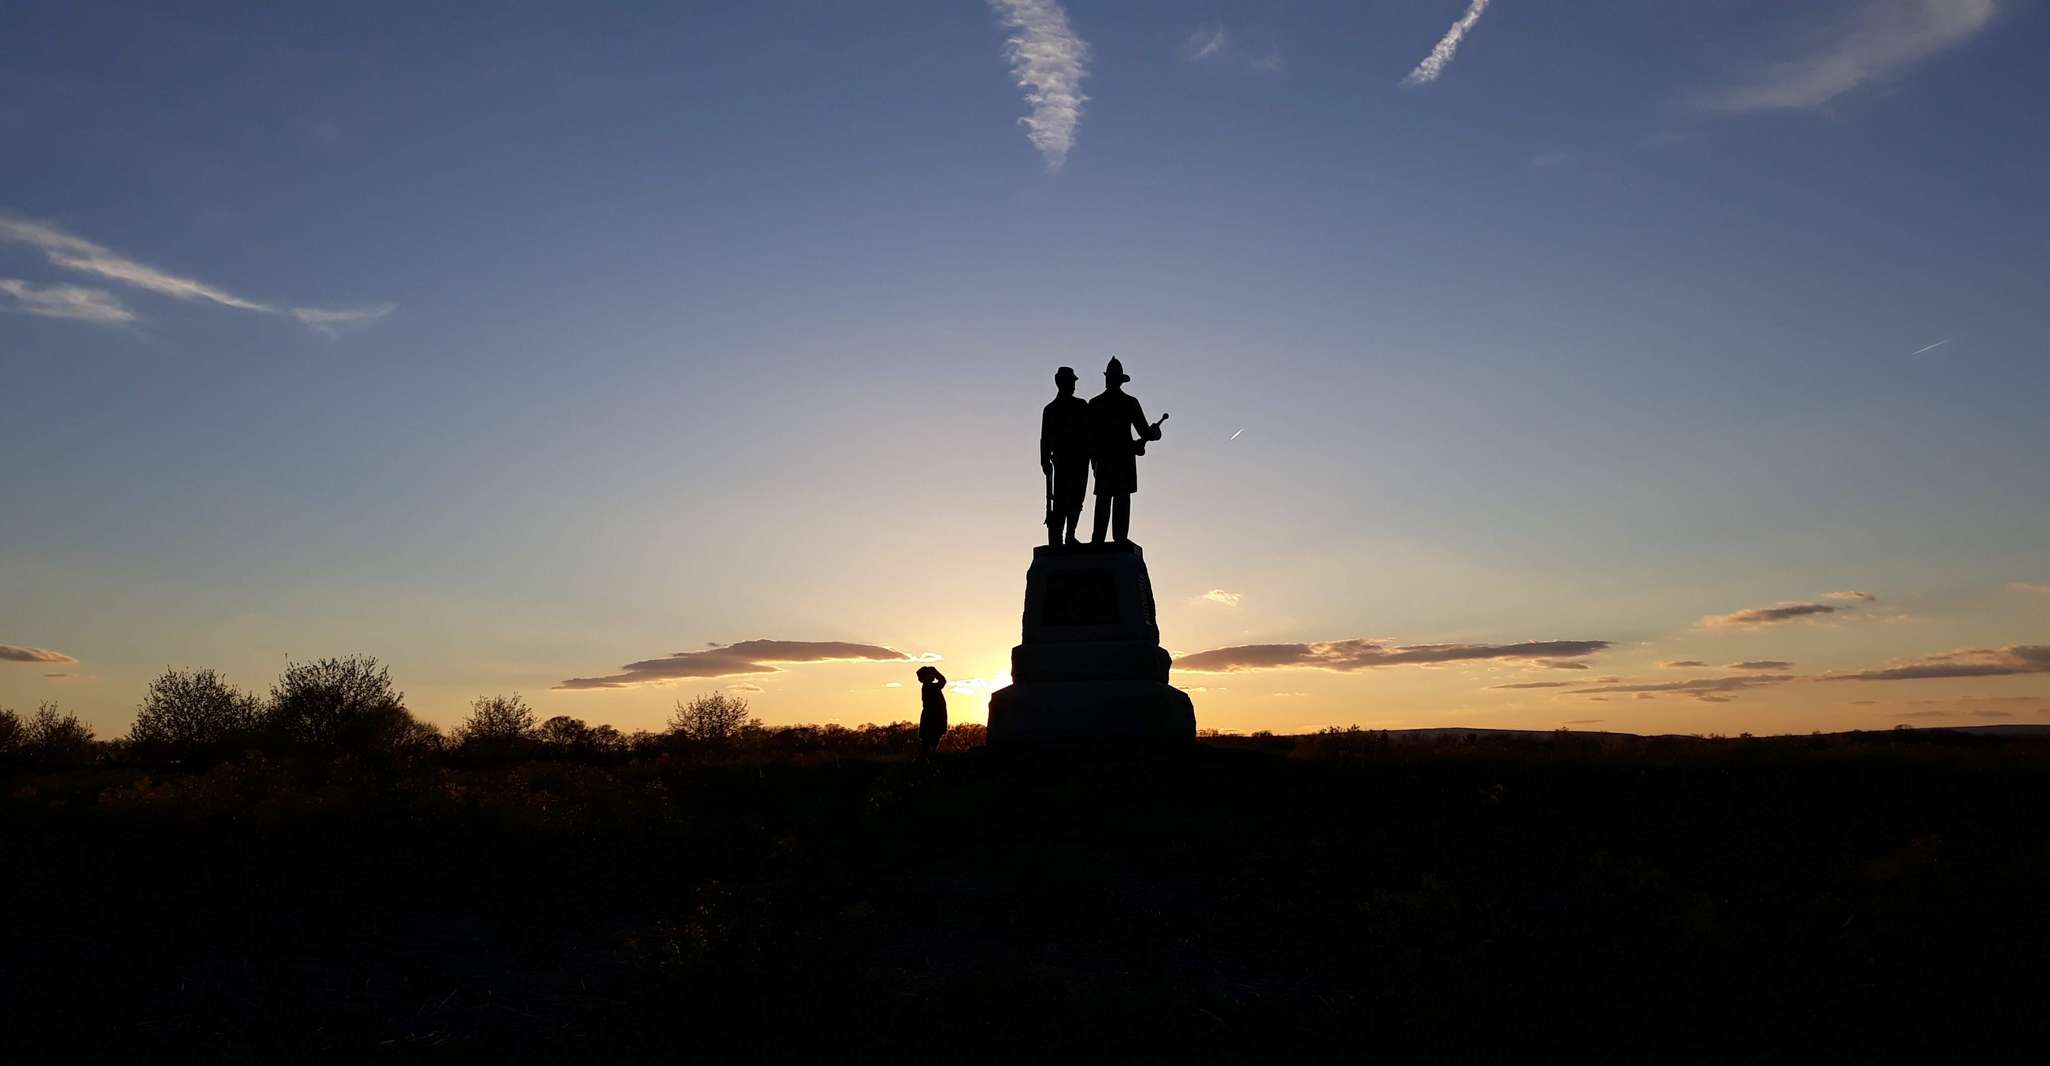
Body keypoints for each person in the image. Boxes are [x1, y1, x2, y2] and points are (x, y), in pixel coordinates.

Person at [1087, 356, 1164, 544]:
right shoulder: (1129, 402)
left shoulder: (1095, 403)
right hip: (1121, 459)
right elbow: (1145, 431)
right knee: (1120, 500)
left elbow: (1090, 437)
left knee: (1104, 500)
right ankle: (1119, 539)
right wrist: (1154, 433)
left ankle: (1098, 540)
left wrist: (1094, 462)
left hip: (1104, 459)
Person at [1040, 366, 1092, 546]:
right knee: (1062, 502)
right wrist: (1044, 460)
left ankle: (1070, 535)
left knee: (1077, 500)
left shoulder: (1081, 406)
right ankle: (1059, 537)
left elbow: (1089, 434)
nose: (1074, 385)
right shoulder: (1051, 410)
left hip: (1079, 460)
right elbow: (1044, 438)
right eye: (1071, 382)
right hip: (1063, 462)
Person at [916, 665, 948, 756]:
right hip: (933, 717)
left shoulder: (928, 686)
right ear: (926, 677)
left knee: (931, 740)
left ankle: (928, 757)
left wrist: (934, 671)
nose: (933, 676)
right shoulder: (930, 687)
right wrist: (935, 671)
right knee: (930, 740)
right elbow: (943, 681)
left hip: (933, 716)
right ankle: (927, 758)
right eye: (930, 674)